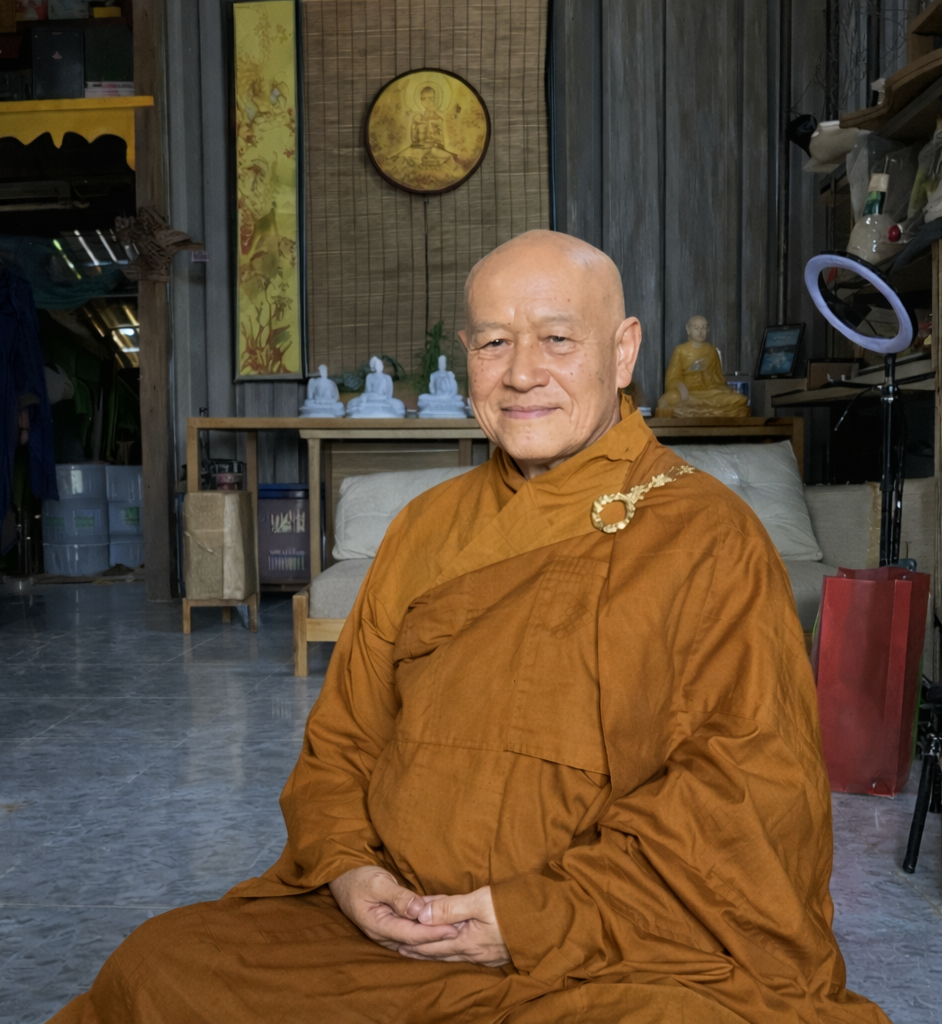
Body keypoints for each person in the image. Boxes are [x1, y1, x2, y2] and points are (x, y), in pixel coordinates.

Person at [50, 230, 889, 1024]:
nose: (521, 374)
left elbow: (738, 801)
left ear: (623, 350)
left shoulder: (706, 535)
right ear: (467, 356)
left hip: (601, 947)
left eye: (558, 340)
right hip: (393, 933)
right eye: (493, 344)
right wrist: (348, 869)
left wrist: (530, 917)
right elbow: (342, 743)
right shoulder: (426, 526)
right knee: (157, 968)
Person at [654, 314, 750, 417]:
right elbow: (672, 378)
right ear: (688, 329)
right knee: (672, 397)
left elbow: (718, 379)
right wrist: (682, 386)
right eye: (696, 328)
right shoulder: (681, 350)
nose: (700, 332)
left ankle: (702, 410)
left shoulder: (712, 350)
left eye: (704, 328)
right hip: (688, 392)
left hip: (709, 392)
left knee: (740, 399)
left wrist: (709, 375)